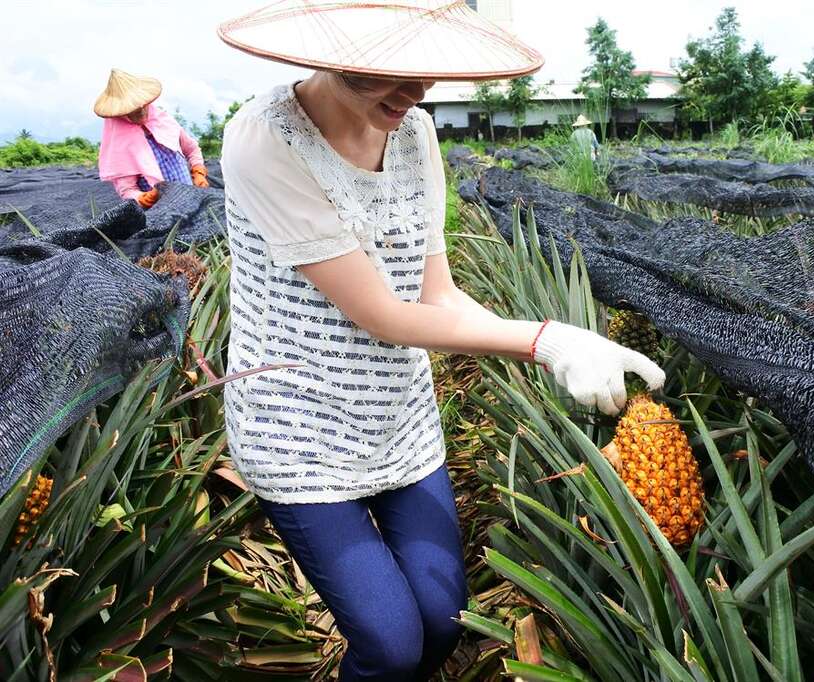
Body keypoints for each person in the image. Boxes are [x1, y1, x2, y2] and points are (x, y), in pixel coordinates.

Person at [217, 2, 663, 680]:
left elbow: (437, 296)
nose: (415, 91)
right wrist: (547, 340)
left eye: (427, 71)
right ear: (331, 52)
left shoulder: (416, 133)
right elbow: (384, 316)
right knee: (391, 646)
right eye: (388, 73)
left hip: (397, 417)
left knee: (442, 619)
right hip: (297, 426)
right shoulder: (264, 139)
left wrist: (555, 341)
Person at [94, 69, 209, 209]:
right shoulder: (120, 145)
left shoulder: (165, 123)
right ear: (120, 113)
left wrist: (198, 172)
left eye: (143, 106)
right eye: (133, 110)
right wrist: (142, 198)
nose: (141, 111)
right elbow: (127, 189)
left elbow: (191, 149)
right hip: (160, 210)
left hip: (190, 198)